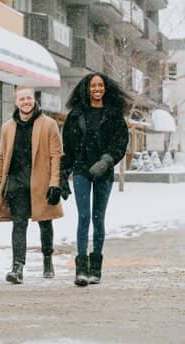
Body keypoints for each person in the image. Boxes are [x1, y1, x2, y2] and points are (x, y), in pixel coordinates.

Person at [0, 87, 64, 284]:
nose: (26, 102)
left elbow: (56, 156)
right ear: (16, 102)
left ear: (34, 100)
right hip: (16, 184)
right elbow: (1, 157)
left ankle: (47, 260)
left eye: (29, 98)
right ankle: (18, 267)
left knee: (45, 222)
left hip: (41, 182)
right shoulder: (7, 127)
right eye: (22, 99)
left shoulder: (49, 125)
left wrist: (55, 184)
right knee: (19, 224)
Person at [61, 73, 129, 286]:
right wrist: (63, 174)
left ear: (105, 88)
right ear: (86, 89)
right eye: (93, 86)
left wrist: (107, 161)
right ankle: (81, 268)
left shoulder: (114, 115)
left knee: (98, 219)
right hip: (81, 170)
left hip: (103, 172)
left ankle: (96, 267)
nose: (97, 89)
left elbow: (120, 143)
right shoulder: (75, 115)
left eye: (100, 85)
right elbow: (69, 147)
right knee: (83, 217)